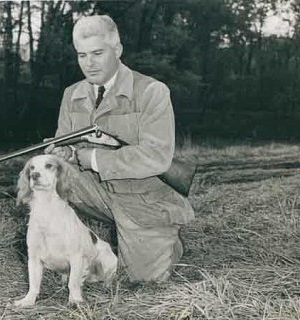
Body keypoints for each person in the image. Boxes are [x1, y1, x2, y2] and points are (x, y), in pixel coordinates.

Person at [45, 14, 194, 282]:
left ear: (118, 50)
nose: (88, 64)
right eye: (81, 55)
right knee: (44, 175)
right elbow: (65, 147)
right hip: (98, 192)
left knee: (140, 281)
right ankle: (65, 252)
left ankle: (164, 240)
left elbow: (157, 157)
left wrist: (91, 158)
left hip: (143, 199)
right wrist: (62, 155)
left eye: (97, 53)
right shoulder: (72, 94)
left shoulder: (152, 91)